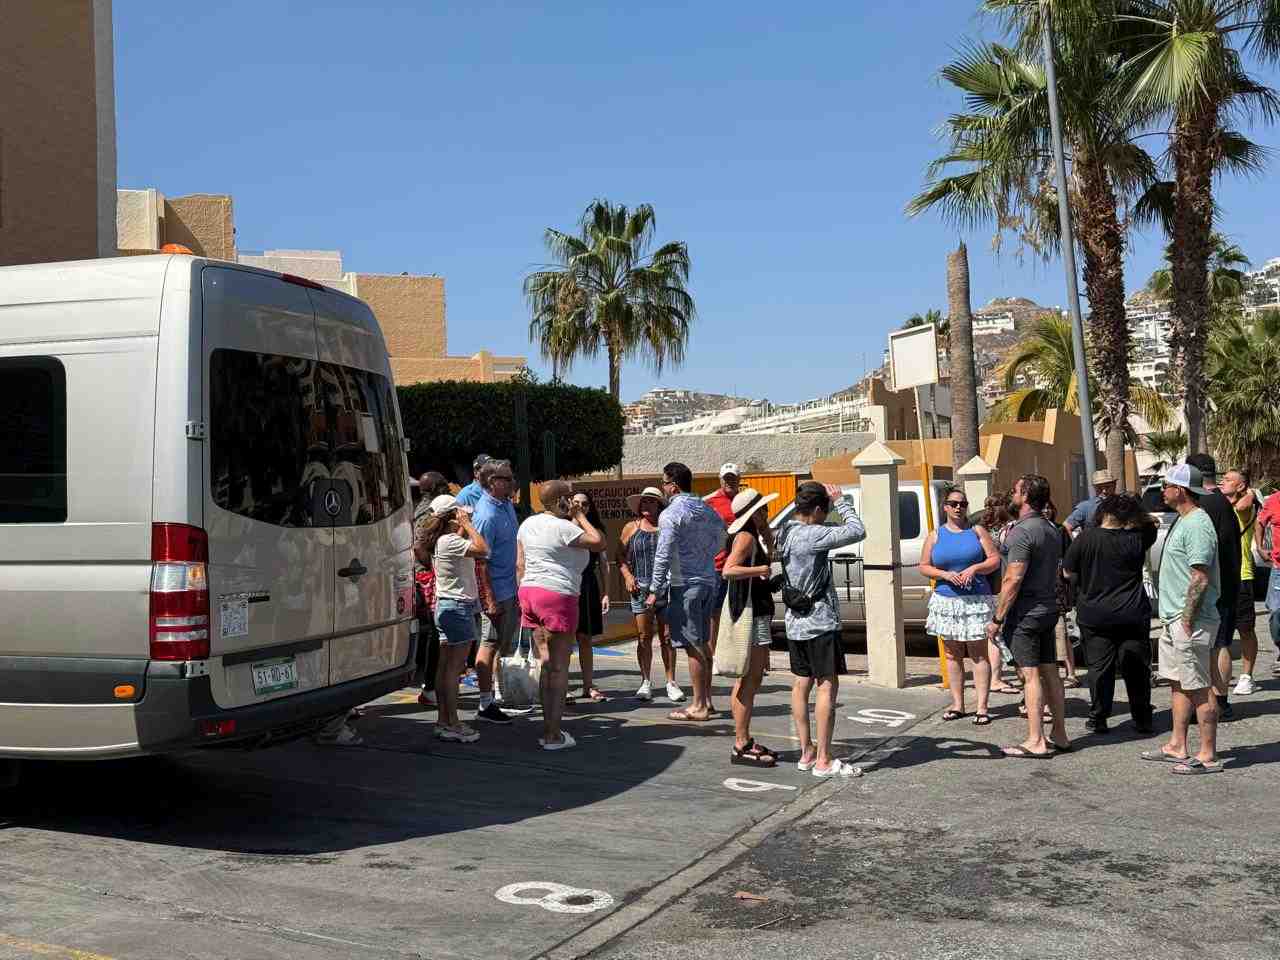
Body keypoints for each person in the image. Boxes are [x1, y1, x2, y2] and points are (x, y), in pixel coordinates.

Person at [776, 481, 866, 778]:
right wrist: (841, 502)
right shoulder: (814, 535)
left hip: (794, 623)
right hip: (820, 622)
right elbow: (857, 530)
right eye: (824, 510)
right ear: (816, 510)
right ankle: (824, 760)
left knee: (801, 684)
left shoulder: (786, 532)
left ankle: (806, 752)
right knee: (826, 685)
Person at [1143, 463, 1222, 774]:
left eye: (1167, 485)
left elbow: (1200, 576)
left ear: (1181, 490)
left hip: (1191, 620)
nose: (1163, 490)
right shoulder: (1183, 520)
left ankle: (1208, 756)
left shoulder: (1198, 524)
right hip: (1174, 617)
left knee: (1199, 686)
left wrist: (1187, 620)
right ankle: (1178, 744)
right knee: (1178, 682)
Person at [517, 480, 607, 750]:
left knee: (547, 664)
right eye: (569, 498)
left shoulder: (527, 524)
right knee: (558, 669)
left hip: (530, 593)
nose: (573, 503)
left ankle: (549, 727)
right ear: (560, 502)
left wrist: (523, 591)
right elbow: (599, 542)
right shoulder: (564, 527)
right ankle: (552, 735)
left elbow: (520, 564)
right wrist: (580, 516)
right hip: (558, 596)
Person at [986, 474, 1070, 758]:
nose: (1013, 492)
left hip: (1027, 612)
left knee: (1030, 676)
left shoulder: (1022, 532)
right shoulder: (1050, 528)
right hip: (1048, 609)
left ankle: (1036, 740)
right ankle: (1059, 733)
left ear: (1025, 496)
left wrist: (997, 619)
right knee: (1050, 672)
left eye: (1017, 489)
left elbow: (1013, 578)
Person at [1062, 493, 1157, 735]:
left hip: (1095, 613)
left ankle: (1099, 717)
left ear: (1102, 513)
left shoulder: (1085, 539)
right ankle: (1142, 718)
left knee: (1099, 669)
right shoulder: (1137, 537)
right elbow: (1150, 524)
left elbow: (1067, 573)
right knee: (1136, 668)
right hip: (1132, 613)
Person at [647, 462, 727, 722]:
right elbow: (721, 539)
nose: (664, 488)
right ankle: (708, 701)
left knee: (693, 646)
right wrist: (703, 555)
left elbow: (663, 553)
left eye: (664, 483)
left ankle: (699, 705)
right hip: (708, 580)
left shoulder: (671, 514)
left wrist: (654, 588)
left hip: (686, 584)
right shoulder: (707, 508)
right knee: (703, 642)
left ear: (674, 485)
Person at [920, 485, 1001, 725]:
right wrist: (944, 575)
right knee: (952, 654)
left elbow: (994, 560)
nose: (958, 508)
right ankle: (958, 704)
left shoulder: (977, 531)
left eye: (963, 504)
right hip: (946, 600)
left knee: (978, 653)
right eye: (954, 503)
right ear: (945, 507)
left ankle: (982, 707)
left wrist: (975, 568)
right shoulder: (935, 535)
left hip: (975, 599)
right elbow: (924, 565)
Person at [419, 494, 490, 743]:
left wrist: (462, 526)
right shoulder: (450, 541)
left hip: (447, 607)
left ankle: (443, 720)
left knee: (445, 667)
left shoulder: (443, 541)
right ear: (453, 517)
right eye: (461, 514)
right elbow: (483, 549)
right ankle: (453, 723)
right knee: (454, 669)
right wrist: (469, 526)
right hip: (458, 608)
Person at [721, 487, 781, 767]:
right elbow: (729, 570)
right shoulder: (745, 537)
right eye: (763, 510)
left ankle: (742, 739)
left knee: (746, 678)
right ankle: (741, 742)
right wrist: (760, 571)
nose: (766, 513)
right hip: (752, 613)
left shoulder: (753, 535)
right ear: (753, 513)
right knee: (751, 678)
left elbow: (769, 552)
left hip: (756, 610)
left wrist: (766, 531)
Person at [1186, 453, 1242, 720]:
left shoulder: (1202, 505)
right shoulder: (1223, 502)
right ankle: (1222, 701)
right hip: (1229, 583)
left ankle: (1212, 701)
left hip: (1213, 587)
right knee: (1222, 643)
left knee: (1213, 644)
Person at [617, 487, 683, 702]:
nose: (646, 506)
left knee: (667, 637)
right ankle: (645, 680)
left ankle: (671, 682)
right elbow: (620, 555)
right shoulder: (631, 527)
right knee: (644, 637)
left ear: (660, 506)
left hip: (667, 588)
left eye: (652, 502)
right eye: (643, 502)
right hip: (640, 588)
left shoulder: (667, 526)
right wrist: (627, 575)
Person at [471, 459, 520, 724]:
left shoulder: (506, 506)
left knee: (501, 643)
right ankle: (485, 702)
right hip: (496, 592)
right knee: (488, 644)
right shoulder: (486, 515)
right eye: (508, 478)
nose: (513, 482)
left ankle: (497, 694)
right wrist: (489, 598)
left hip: (509, 588)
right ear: (493, 482)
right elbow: (480, 560)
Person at [569, 491, 612, 702]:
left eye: (584, 504)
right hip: (566, 584)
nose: (580, 507)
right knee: (563, 639)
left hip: (587, 585)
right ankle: (563, 686)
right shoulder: (561, 526)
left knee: (585, 638)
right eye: (576, 503)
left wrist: (606, 593)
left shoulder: (596, 530)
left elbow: (603, 561)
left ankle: (588, 685)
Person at [1220, 468, 1260, 696]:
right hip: (1222, 576)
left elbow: (1244, 506)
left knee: (1245, 628)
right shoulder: (1219, 504)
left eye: (1228, 480)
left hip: (1242, 574)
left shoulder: (1245, 504)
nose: (1222, 482)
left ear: (1241, 485)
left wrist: (1251, 492)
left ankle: (1247, 675)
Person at [705, 463, 742, 685]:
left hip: (741, 566)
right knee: (715, 615)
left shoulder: (746, 500)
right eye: (726, 478)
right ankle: (714, 659)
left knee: (739, 613)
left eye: (733, 478)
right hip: (718, 567)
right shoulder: (709, 502)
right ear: (720, 480)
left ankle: (737, 657)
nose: (729, 481)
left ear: (739, 479)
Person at [980, 491, 1020, 695]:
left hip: (984, 585)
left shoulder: (978, 526)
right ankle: (996, 678)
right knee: (998, 633)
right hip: (1001, 585)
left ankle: (995, 677)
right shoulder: (1009, 529)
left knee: (992, 634)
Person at [1043, 501, 1080, 687]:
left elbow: (1070, 556)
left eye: (1050, 507)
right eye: (1043, 508)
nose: (1047, 511)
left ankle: (1071, 673)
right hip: (1043, 587)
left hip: (1059, 585)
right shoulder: (1036, 530)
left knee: (1063, 631)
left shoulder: (1060, 530)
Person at [1256, 486, 1280, 675]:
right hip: (1278, 567)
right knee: (1275, 611)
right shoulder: (1273, 500)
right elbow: (1260, 523)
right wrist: (1260, 546)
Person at [1064, 469, 1119, 536]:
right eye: (1100, 488)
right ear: (1094, 488)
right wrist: (1078, 544)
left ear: (1114, 485)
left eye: (1107, 487)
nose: (1104, 491)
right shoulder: (1086, 507)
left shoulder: (1123, 504)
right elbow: (1067, 526)